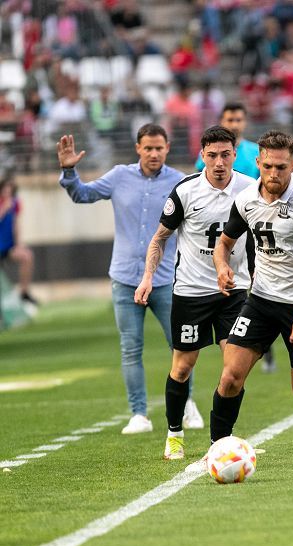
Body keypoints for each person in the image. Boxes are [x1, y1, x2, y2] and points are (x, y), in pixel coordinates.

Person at [57, 124, 205, 435]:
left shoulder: (181, 182)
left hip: (166, 280)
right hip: (125, 278)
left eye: (159, 148)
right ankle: (139, 414)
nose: (153, 153)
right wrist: (70, 172)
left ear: (167, 148)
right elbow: (82, 195)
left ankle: (187, 403)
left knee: (180, 344)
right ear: (138, 148)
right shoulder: (119, 176)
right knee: (130, 348)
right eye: (148, 148)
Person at [210, 130, 293, 446]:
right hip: (262, 300)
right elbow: (223, 244)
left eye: (281, 167)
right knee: (229, 378)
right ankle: (217, 448)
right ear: (258, 163)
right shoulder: (246, 200)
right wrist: (222, 267)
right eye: (268, 166)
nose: (274, 174)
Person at [135, 126, 256, 460]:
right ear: (202, 156)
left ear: (235, 154)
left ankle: (221, 442)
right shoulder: (186, 191)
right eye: (212, 155)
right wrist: (147, 277)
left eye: (225, 155)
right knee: (183, 366)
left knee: (234, 372)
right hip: (191, 292)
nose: (219, 162)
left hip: (235, 291)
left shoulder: (250, 189)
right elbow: (160, 238)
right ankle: (174, 434)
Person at [195, 102, 275, 373]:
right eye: (230, 118)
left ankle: (265, 343)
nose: (235, 123)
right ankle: (232, 339)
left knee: (261, 285)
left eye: (239, 118)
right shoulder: (208, 155)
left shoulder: (254, 152)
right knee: (234, 285)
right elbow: (201, 183)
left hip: (254, 230)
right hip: (225, 230)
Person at [0, 178, 39, 315]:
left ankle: (24, 292)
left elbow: (16, 224)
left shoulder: (15, 203)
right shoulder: (3, 203)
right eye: (5, 188)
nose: (7, 192)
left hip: (7, 246)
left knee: (27, 256)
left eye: (10, 189)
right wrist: (4, 208)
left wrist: (18, 243)